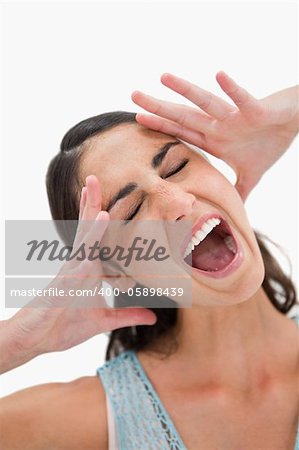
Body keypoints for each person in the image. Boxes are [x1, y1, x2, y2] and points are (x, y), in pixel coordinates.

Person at [0, 73, 298, 450]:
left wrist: (291, 113)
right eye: (132, 209)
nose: (177, 202)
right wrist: (16, 342)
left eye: (176, 166)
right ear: (117, 273)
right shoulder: (95, 416)